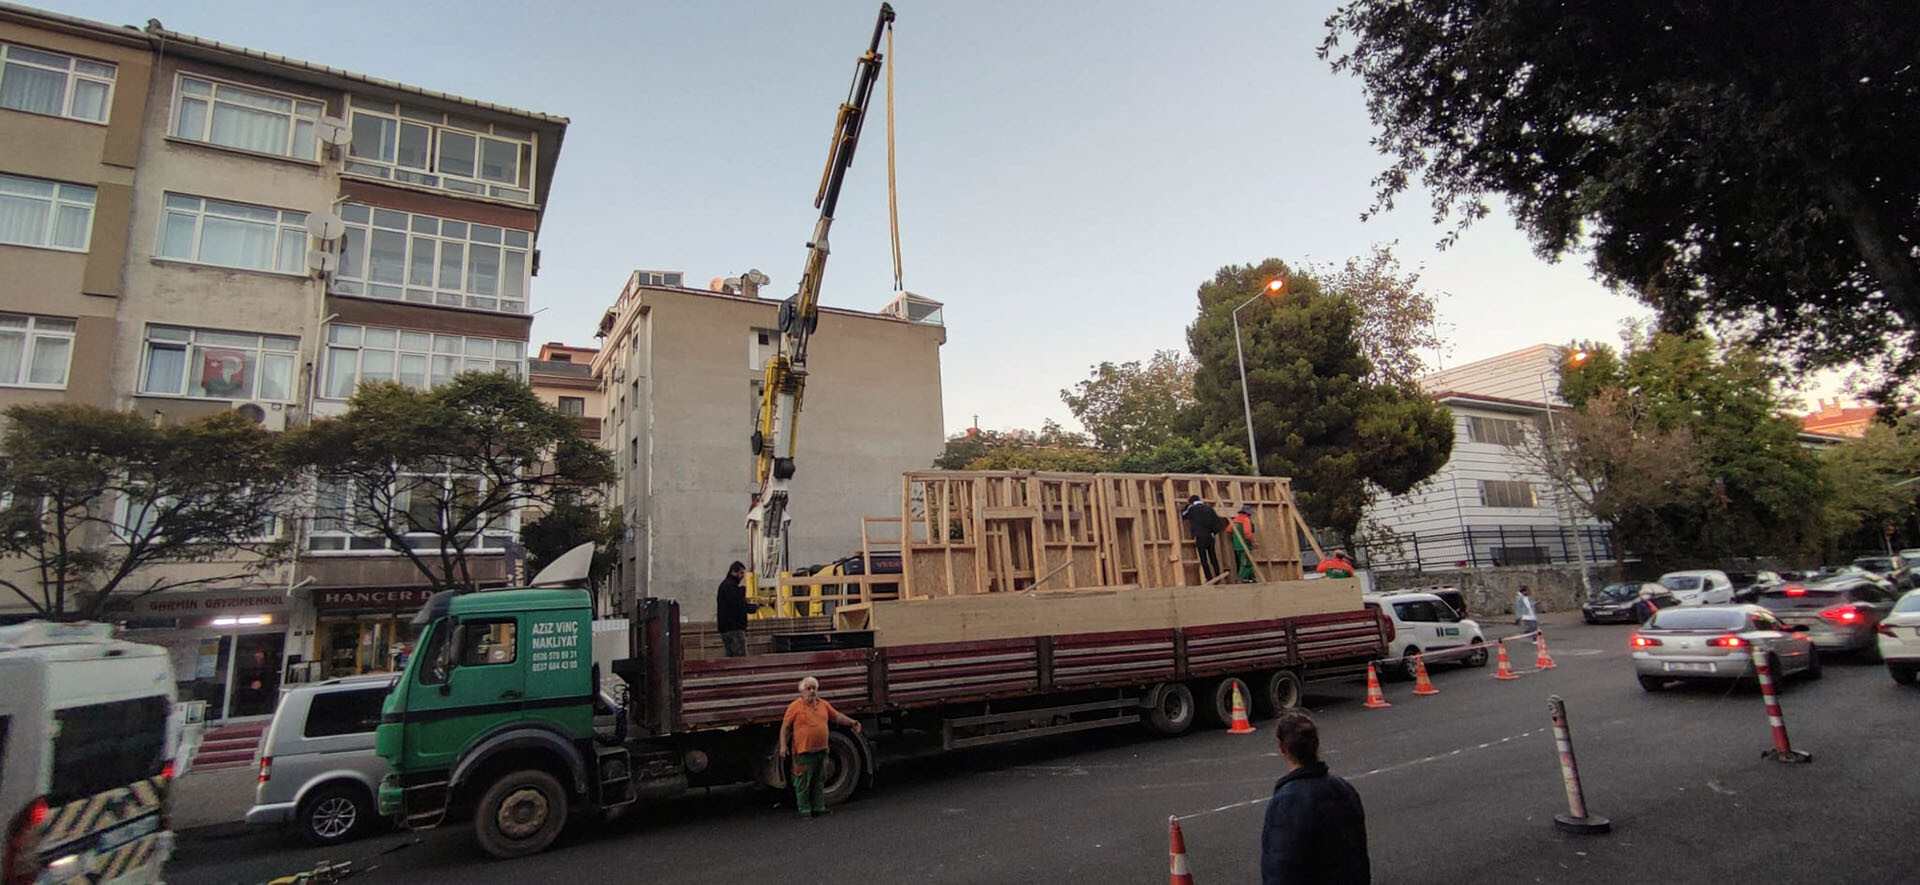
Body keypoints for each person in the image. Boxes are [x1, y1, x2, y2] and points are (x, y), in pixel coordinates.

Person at [1261, 711, 1370, 885]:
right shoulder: (1344, 789)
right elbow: (1359, 855)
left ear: (1282, 748)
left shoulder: (1285, 802)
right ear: (1316, 744)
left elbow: (1280, 867)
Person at [776, 676, 862, 819]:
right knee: (803, 783)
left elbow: (837, 716)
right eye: (808, 689)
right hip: (803, 753)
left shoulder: (823, 705)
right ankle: (805, 810)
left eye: (814, 688)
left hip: (821, 751)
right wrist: (783, 745)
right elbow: (785, 728)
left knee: (819, 781)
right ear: (801, 692)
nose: (812, 691)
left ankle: (819, 807)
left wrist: (852, 722)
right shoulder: (795, 707)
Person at [716, 561, 758, 657]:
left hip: (727, 628)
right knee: (740, 659)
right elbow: (737, 604)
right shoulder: (730, 586)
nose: (743, 576)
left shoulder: (726, 585)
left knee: (731, 659)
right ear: (734, 572)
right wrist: (743, 590)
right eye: (741, 573)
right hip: (734, 629)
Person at [1181, 495, 1223, 581]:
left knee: (1203, 559)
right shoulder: (1209, 508)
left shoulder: (1192, 509)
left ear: (1191, 502)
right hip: (1209, 536)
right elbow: (1217, 521)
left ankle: (1209, 578)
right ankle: (1218, 576)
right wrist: (1213, 533)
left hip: (1200, 536)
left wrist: (1187, 506)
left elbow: (1183, 515)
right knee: (1213, 557)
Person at [1229, 505, 1258, 583]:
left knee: (1248, 562)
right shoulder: (1246, 520)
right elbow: (1247, 533)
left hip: (1237, 546)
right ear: (1248, 513)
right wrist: (1253, 542)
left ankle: (1252, 578)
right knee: (1246, 564)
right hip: (1245, 545)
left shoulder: (1235, 520)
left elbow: (1228, 529)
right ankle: (1240, 579)